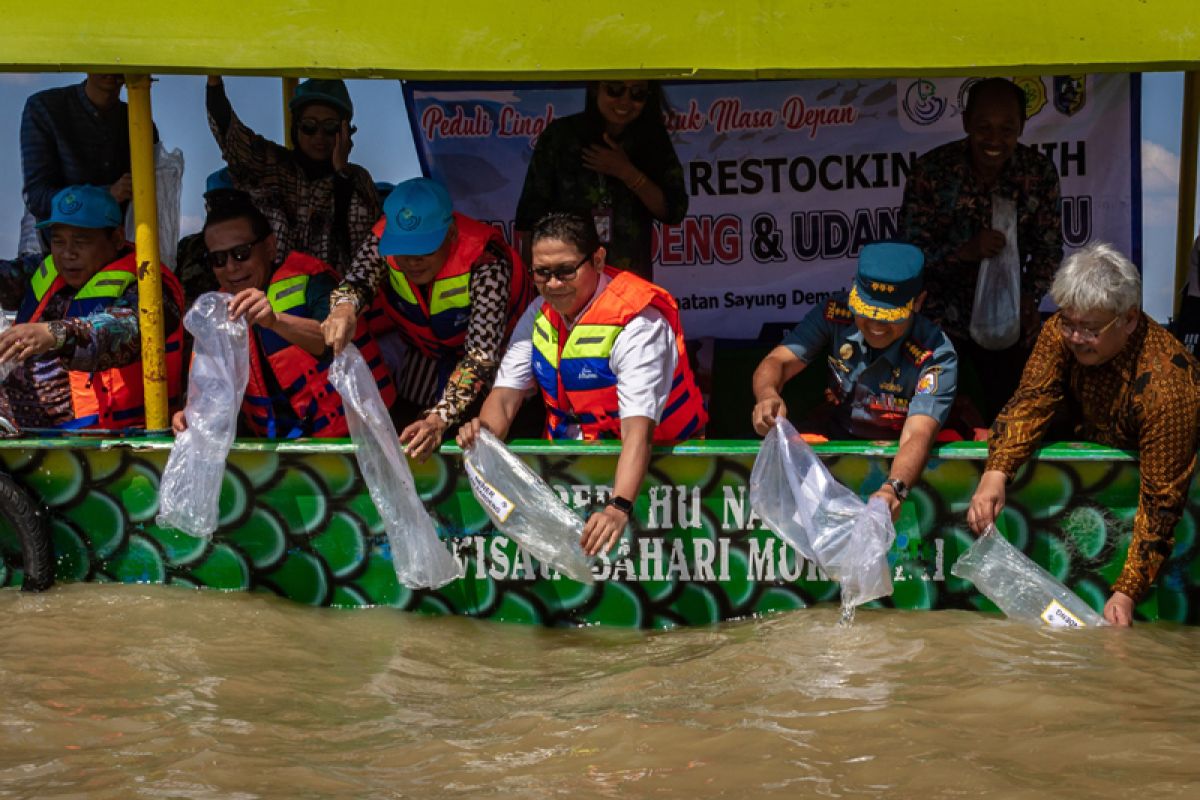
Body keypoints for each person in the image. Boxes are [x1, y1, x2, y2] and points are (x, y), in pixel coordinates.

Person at [967, 243, 1200, 627]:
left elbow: (1162, 501)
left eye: (1089, 330)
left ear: (1128, 319)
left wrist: (1127, 590)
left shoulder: (1167, 385)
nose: (1074, 337)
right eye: (1069, 323)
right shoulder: (1061, 332)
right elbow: (1032, 400)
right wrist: (996, 472)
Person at [456, 212, 707, 556]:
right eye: (542, 273)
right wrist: (483, 435)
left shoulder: (638, 325)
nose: (554, 284)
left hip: (659, 472)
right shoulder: (537, 314)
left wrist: (618, 507)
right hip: (573, 468)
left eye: (566, 271)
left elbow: (638, 432)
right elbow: (504, 398)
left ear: (598, 260)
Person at [322, 178, 532, 460]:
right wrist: (344, 308)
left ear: (452, 233)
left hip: (491, 366)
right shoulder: (382, 238)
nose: (412, 261)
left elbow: (480, 356)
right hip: (425, 355)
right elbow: (357, 280)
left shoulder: (486, 260)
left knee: (475, 442)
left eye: (425, 248)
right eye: (404, 249)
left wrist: (438, 419)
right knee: (405, 434)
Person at [751, 241, 959, 519]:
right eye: (867, 310)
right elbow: (778, 361)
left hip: (902, 464)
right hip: (839, 448)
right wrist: (767, 395)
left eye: (888, 317)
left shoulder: (936, 353)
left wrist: (894, 488)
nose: (875, 324)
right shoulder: (834, 313)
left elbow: (918, 433)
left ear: (918, 303)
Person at [899, 77, 1062, 419]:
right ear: (965, 123)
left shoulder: (1038, 172)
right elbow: (909, 253)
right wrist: (964, 252)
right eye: (984, 127)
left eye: (1007, 129)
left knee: (1013, 414)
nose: (995, 140)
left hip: (1008, 318)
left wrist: (1028, 298)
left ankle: (1002, 470)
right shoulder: (932, 171)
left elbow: (1048, 250)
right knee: (934, 413)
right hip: (942, 318)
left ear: (1022, 126)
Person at [172, 196, 395, 439]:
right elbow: (208, 387)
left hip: (353, 439)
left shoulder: (312, 280)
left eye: (240, 253)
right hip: (278, 451)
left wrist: (274, 321)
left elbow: (331, 341)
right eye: (218, 259)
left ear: (269, 247)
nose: (230, 268)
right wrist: (191, 413)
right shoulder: (215, 314)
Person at [0, 185, 184, 429]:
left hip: (99, 446)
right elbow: (6, 277)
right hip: (18, 429)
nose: (68, 254)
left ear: (117, 239)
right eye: (58, 241)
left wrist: (55, 334)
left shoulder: (148, 285)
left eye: (81, 241)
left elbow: (124, 329)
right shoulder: (44, 269)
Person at [514, 80, 688, 280]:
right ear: (596, 88)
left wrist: (627, 172)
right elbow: (530, 220)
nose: (625, 101)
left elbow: (674, 211)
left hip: (628, 282)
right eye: (615, 89)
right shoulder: (562, 136)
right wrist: (535, 284)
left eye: (638, 93)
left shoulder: (651, 140)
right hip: (567, 280)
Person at [206, 76, 380, 275]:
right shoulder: (269, 164)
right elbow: (231, 134)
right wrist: (214, 83)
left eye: (330, 128)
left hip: (335, 297)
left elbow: (363, 245)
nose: (319, 137)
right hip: (269, 297)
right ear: (295, 128)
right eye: (309, 126)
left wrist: (341, 177)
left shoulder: (357, 179)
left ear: (345, 132)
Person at [20, 74, 154, 226]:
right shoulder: (44, 108)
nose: (111, 67)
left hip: (117, 241)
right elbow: (38, 198)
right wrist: (106, 195)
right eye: (104, 55)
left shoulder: (140, 124)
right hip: (55, 242)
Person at [175, 168, 243, 308]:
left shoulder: (256, 248)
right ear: (207, 207)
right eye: (217, 202)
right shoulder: (188, 247)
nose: (224, 211)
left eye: (231, 202)